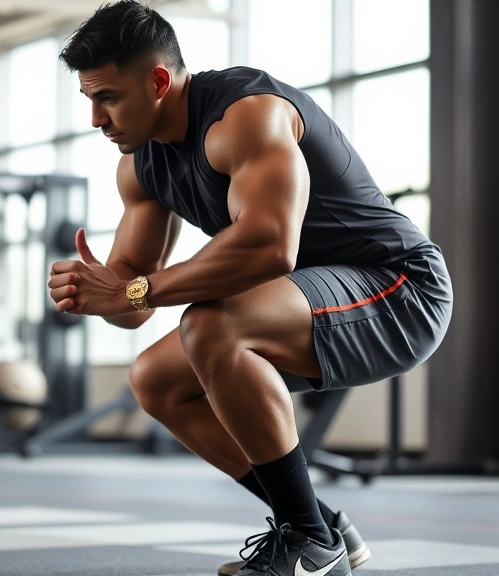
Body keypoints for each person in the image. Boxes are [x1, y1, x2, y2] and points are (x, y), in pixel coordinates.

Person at [47, 2, 453, 575]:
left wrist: (132, 292)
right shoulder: (140, 167)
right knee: (156, 380)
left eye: (107, 97)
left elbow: (268, 247)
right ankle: (317, 525)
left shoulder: (246, 115)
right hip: (308, 298)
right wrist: (95, 290)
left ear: (158, 81)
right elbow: (131, 303)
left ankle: (311, 545)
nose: (95, 118)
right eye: (89, 99)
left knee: (211, 325)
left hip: (399, 288)